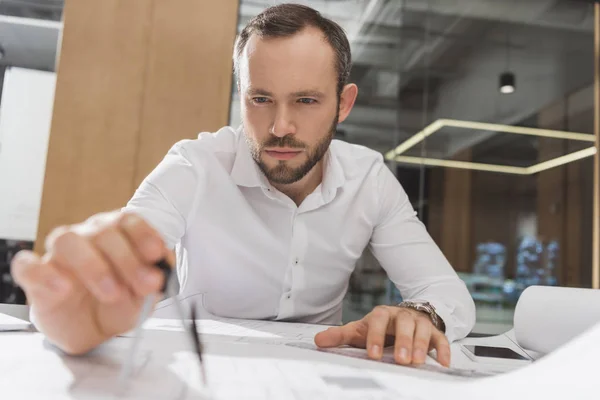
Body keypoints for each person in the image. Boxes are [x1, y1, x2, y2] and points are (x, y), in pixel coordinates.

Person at [11, 3, 475, 367]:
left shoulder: (369, 178)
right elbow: (127, 247)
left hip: (316, 372)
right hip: (200, 368)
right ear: (242, 96)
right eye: (261, 99)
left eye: (307, 100)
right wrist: (78, 304)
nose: (281, 126)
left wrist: (421, 316)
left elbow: (446, 292)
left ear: (343, 104)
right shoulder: (195, 164)